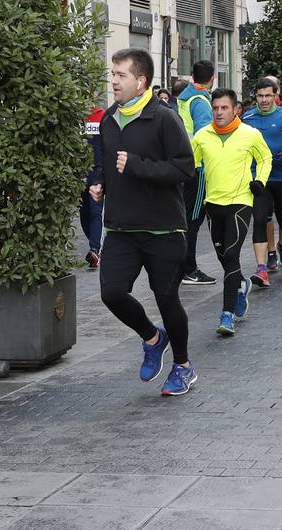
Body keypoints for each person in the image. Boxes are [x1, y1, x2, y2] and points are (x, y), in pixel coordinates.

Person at [95, 49, 198, 396]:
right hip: (122, 227)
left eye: (120, 75)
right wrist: (99, 183)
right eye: (112, 73)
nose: (113, 81)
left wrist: (138, 165)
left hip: (163, 228)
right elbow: (106, 163)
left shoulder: (164, 118)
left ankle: (183, 366)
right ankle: (153, 338)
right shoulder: (110, 119)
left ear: (140, 81)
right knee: (111, 293)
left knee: (167, 298)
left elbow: (185, 168)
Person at [191, 88, 271, 336]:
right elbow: (189, 165)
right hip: (213, 204)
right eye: (215, 108)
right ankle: (240, 286)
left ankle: (226, 315)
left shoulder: (250, 134)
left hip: (240, 202)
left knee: (231, 253)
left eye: (224, 108)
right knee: (225, 260)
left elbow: (266, 158)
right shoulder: (202, 136)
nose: (219, 112)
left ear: (235, 109)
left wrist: (260, 181)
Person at [242, 77, 282, 285]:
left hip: (281, 175)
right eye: (260, 96)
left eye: (268, 95)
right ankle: (261, 269)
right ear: (256, 97)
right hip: (258, 177)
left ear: (276, 95)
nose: (264, 100)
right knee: (260, 219)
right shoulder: (248, 117)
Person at [177, 61, 217, 287]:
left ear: (193, 76)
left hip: (185, 162)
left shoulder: (185, 97)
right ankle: (189, 269)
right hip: (198, 166)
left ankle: (183, 266)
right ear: (212, 79)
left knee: (187, 218)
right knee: (193, 219)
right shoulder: (201, 101)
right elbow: (205, 136)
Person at [81, 105, 106, 269]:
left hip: (97, 172)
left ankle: (95, 249)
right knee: (83, 213)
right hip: (78, 172)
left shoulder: (102, 116)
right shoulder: (74, 117)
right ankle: (95, 248)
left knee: (95, 211)